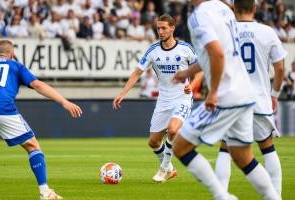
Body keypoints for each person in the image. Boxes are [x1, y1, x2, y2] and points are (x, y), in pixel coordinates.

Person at [171, 0, 279, 200]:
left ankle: (222, 196)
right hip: (245, 94)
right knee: (243, 157)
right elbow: (219, 52)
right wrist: (187, 71)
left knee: (181, 146)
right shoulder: (224, 9)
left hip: (226, 96)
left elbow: (217, 53)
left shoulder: (198, 16)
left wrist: (213, 92)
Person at [113, 14, 198, 183]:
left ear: (172, 28)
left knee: (173, 130)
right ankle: (170, 170)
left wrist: (193, 85)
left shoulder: (185, 48)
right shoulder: (152, 50)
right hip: (163, 100)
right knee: (153, 142)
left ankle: (164, 168)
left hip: (183, 97)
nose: (160, 31)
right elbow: (137, 72)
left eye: (164, 28)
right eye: (158, 28)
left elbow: (200, 69)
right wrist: (122, 93)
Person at [215, 1, 287, 198]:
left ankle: (221, 195)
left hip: (231, 99)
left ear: (234, 9)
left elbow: (215, 63)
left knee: (225, 149)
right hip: (259, 99)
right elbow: (280, 68)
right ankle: (276, 195)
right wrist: (275, 95)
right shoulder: (267, 32)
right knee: (267, 148)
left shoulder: (224, 32)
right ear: (255, 9)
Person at [0, 40, 82, 200]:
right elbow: (37, 84)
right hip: (2, 109)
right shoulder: (15, 65)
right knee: (33, 146)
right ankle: (45, 192)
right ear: (12, 54)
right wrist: (64, 101)